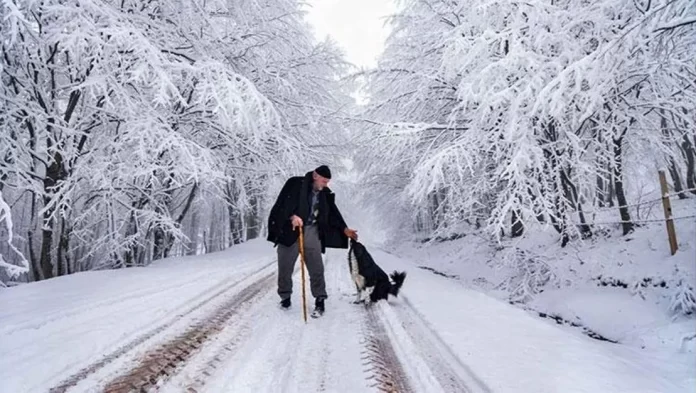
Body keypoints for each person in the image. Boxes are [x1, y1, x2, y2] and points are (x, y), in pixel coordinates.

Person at [266, 165, 358, 317]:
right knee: (285, 267)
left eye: (327, 182)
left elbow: (333, 213)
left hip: (311, 231)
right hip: (290, 231)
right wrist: (292, 217)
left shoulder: (324, 194)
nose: (325, 184)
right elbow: (281, 206)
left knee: (317, 268)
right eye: (324, 181)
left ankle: (320, 300)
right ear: (315, 176)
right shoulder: (295, 184)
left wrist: (345, 229)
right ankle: (285, 297)